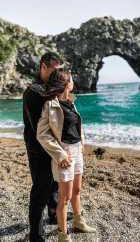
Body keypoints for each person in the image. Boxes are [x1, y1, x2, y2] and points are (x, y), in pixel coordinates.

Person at [36, 69, 96, 242]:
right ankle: (63, 235)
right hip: (64, 154)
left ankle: (78, 221)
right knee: (65, 197)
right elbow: (42, 134)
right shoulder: (50, 105)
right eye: (71, 79)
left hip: (77, 150)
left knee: (77, 191)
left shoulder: (71, 101)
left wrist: (82, 144)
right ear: (65, 84)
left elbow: (76, 127)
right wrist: (60, 155)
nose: (73, 82)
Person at [23, 52, 65, 242]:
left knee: (55, 184)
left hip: (53, 146)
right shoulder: (33, 91)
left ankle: (54, 213)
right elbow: (36, 126)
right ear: (43, 66)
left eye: (59, 71)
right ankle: (36, 234)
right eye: (54, 71)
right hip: (37, 147)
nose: (57, 75)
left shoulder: (51, 88)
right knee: (41, 188)